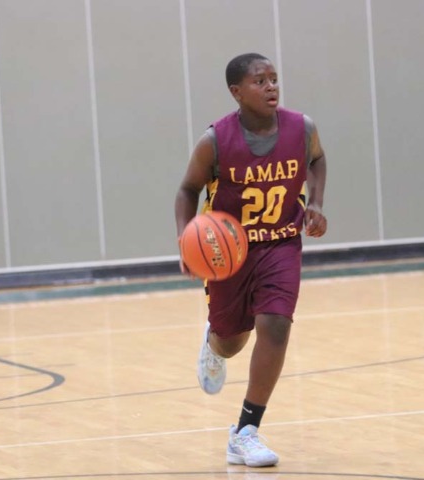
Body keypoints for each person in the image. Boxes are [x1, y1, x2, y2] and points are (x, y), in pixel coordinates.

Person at [174, 52, 327, 467]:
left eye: (274, 78)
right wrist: (186, 239)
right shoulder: (215, 141)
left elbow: (316, 158)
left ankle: (245, 431)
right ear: (237, 92)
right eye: (260, 81)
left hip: (280, 243)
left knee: (275, 326)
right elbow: (187, 190)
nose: (271, 86)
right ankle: (213, 341)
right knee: (232, 342)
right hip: (229, 253)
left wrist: (315, 203)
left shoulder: (301, 128)